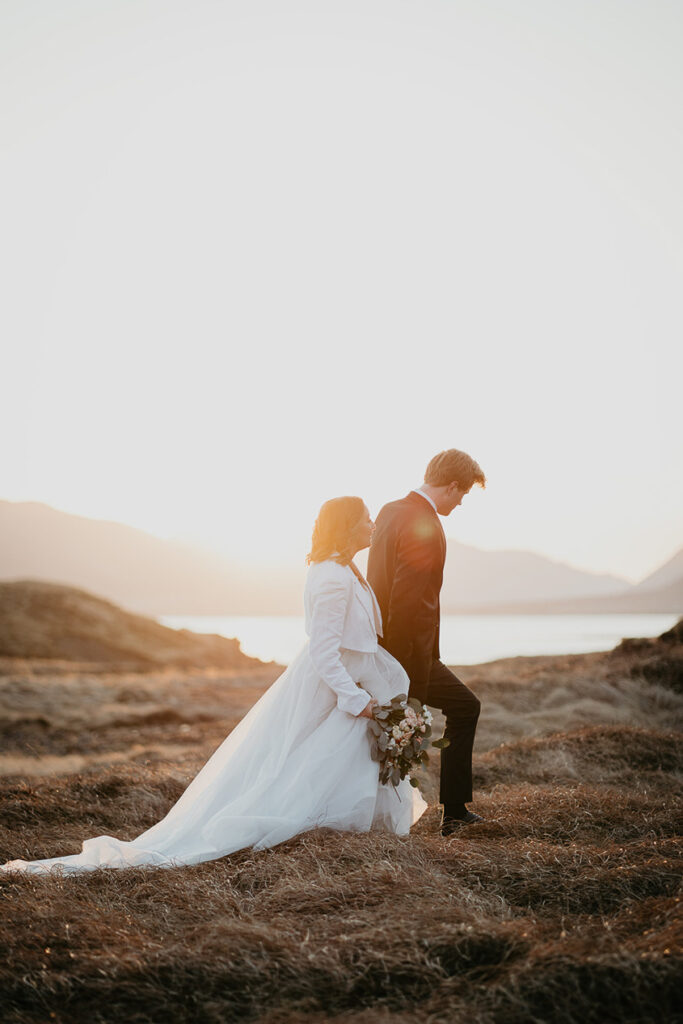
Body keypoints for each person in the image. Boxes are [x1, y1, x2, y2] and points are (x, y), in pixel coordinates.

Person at [0, 497, 426, 875]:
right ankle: (311, 827)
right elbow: (323, 650)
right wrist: (354, 699)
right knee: (309, 762)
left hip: (355, 682)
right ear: (347, 524)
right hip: (338, 687)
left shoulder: (346, 568)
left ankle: (353, 831)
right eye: (367, 518)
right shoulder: (331, 575)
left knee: (337, 759)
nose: (373, 525)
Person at [367, 449, 486, 836]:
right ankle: (453, 814)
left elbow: (377, 582)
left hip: (380, 646)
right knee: (466, 707)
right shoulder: (425, 524)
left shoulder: (388, 510)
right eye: (462, 494)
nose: (462, 502)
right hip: (408, 654)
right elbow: (407, 596)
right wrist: (408, 674)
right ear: (451, 485)